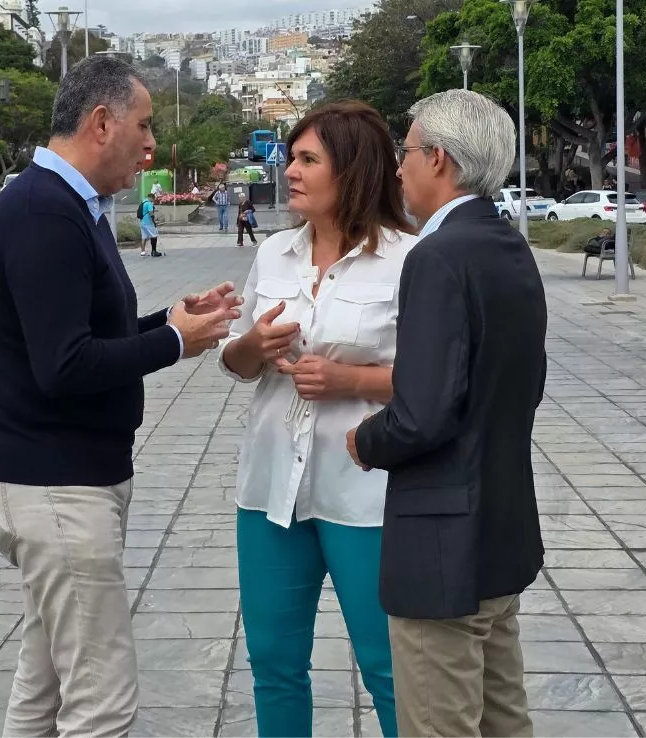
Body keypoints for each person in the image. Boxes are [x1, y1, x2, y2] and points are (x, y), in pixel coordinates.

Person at [0, 55, 240, 738]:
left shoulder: (64, 206)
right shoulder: (44, 212)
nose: (151, 144)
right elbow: (65, 366)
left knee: (45, 687)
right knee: (101, 702)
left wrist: (170, 323)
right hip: (54, 488)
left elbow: (80, 338)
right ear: (101, 122)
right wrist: (172, 342)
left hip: (53, 483)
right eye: (143, 126)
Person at [347, 89, 548, 737]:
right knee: (503, 722)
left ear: (438, 158)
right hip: (501, 534)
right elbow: (523, 386)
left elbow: (423, 414)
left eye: (405, 152)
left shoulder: (437, 257)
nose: (397, 168)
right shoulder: (508, 247)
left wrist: (364, 440)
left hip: (442, 551)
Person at [219, 100, 417, 738]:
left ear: (353, 170)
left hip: (366, 494)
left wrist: (349, 381)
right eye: (291, 158)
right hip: (272, 490)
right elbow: (238, 358)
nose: (290, 172)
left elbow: (438, 382)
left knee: (388, 667)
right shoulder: (274, 253)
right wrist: (253, 349)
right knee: (274, 664)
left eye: (308, 160)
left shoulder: (409, 261)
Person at [139, 193, 163, 257]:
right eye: (153, 199)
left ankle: (142, 252)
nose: (153, 200)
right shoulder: (149, 203)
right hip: (148, 222)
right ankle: (154, 251)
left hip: (142, 222)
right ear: (152, 197)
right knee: (154, 236)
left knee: (143, 237)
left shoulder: (143, 202)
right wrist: (154, 222)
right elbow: (151, 213)